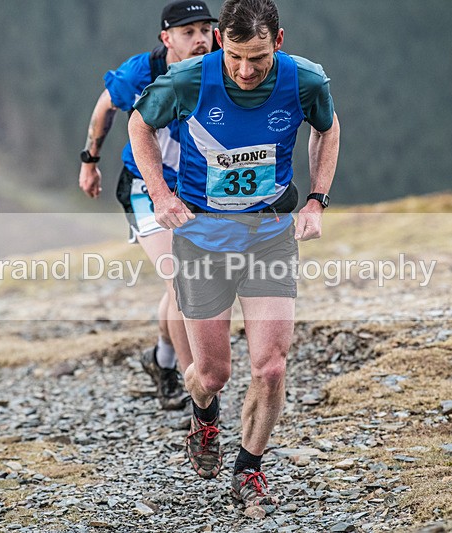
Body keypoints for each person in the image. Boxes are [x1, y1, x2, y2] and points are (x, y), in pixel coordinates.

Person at [128, 0, 340, 511]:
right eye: (237, 58)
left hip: (269, 235)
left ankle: (249, 468)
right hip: (203, 240)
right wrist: (160, 195)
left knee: (270, 367)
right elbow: (139, 126)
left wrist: (316, 200)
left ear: (279, 42)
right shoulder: (187, 81)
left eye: (260, 59)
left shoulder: (305, 80)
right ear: (221, 41)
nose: (246, 72)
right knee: (212, 374)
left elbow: (327, 129)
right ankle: (204, 417)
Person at [78, 1, 217, 410]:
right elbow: (106, 105)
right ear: (166, 38)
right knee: (181, 281)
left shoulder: (222, 66)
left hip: (195, 192)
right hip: (144, 187)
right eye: (188, 32)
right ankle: (199, 395)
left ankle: (162, 360)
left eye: (205, 30)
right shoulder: (144, 71)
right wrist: (89, 162)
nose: (199, 39)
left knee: (183, 285)